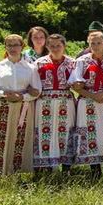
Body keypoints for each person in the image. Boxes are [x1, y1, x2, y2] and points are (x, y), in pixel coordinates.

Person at [0, 34, 42, 175]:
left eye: (16, 45)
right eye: (9, 45)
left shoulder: (30, 68)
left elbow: (37, 91)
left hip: (22, 108)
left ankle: (16, 172)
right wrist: (4, 94)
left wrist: (22, 96)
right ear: (5, 47)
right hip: (1, 107)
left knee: (18, 139)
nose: (13, 48)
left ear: (22, 47)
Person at [69, 31, 103, 170]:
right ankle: (94, 170)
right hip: (88, 101)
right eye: (92, 43)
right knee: (91, 133)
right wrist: (92, 95)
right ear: (88, 44)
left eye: (99, 43)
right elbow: (75, 85)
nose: (95, 46)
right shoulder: (81, 61)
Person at [32, 34, 76, 171]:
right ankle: (44, 166)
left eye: (58, 45)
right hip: (44, 103)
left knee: (66, 132)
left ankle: (66, 168)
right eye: (52, 46)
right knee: (45, 133)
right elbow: (33, 84)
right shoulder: (39, 63)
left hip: (65, 103)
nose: (55, 48)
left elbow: (78, 83)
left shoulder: (72, 63)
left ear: (64, 46)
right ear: (47, 46)